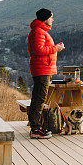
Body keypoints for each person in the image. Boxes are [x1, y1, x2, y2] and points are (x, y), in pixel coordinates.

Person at [27, 8, 65, 139]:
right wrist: (56, 48)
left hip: (43, 68)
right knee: (39, 98)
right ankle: (35, 129)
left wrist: (55, 47)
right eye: (51, 17)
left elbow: (41, 48)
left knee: (39, 97)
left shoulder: (40, 31)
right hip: (41, 68)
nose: (52, 19)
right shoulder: (38, 31)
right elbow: (38, 50)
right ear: (45, 18)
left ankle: (37, 127)